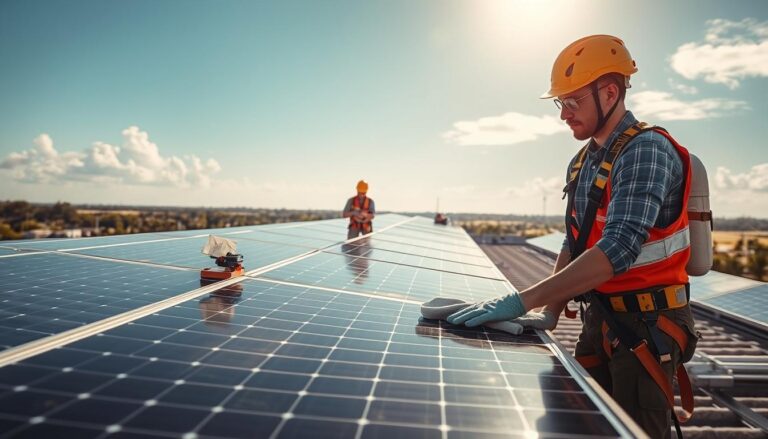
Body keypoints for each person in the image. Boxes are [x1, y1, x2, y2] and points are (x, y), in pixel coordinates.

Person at [447, 35, 698, 438]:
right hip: (602, 320)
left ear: (610, 93)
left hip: (648, 327)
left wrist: (520, 300)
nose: (563, 114)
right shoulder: (583, 160)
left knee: (634, 431)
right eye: (559, 104)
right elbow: (576, 242)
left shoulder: (646, 150)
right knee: (582, 425)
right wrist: (550, 311)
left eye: (572, 102)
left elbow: (617, 248)